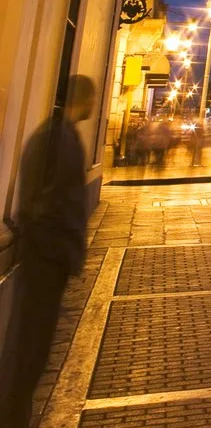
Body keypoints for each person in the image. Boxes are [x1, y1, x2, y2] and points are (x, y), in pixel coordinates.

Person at [0, 74, 97, 425]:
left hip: (50, 261)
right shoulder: (54, 138)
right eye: (90, 98)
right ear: (81, 99)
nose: (93, 105)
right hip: (44, 262)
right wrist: (58, 251)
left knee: (33, 351)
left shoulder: (60, 135)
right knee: (28, 351)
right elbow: (42, 204)